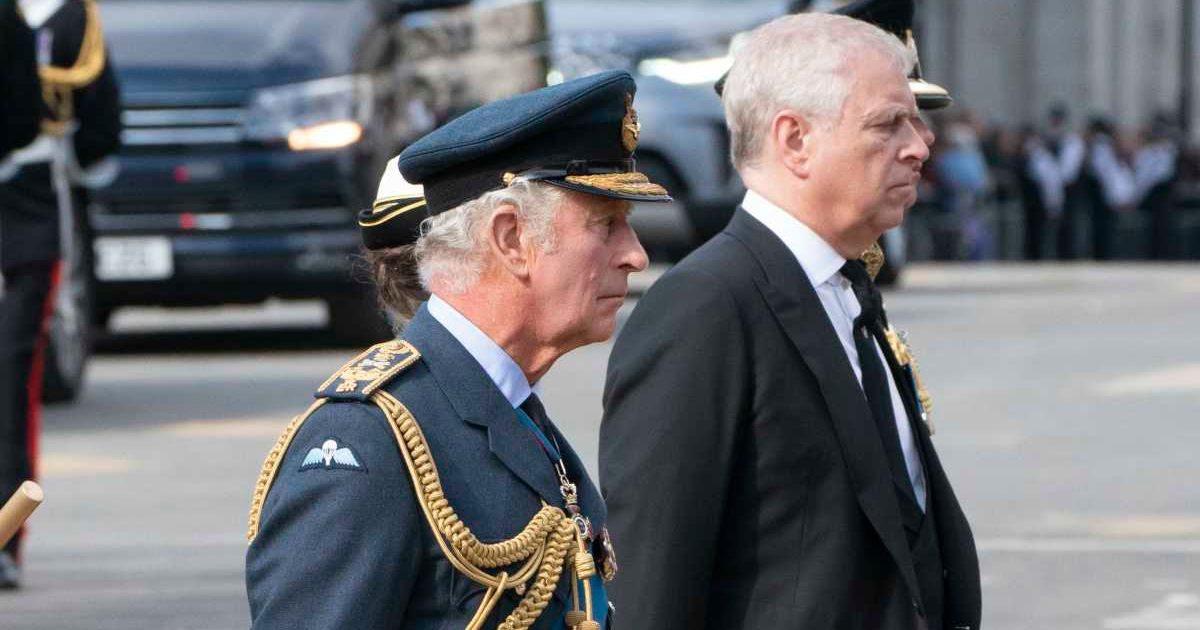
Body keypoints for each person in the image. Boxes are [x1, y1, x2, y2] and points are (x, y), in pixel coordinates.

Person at [245, 70, 669, 629]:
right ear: (511, 238)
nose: (635, 255)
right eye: (605, 225)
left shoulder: (514, 410)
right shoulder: (368, 438)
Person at [600, 8, 981, 630]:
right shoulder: (705, 308)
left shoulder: (845, 283)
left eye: (916, 120)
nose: (920, 145)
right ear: (795, 140)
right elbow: (652, 581)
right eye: (889, 124)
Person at [0, 0, 120, 588]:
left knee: (11, 376)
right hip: (25, 204)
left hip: (21, 202)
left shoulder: (63, 15)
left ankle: (3, 532)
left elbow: (86, 118)